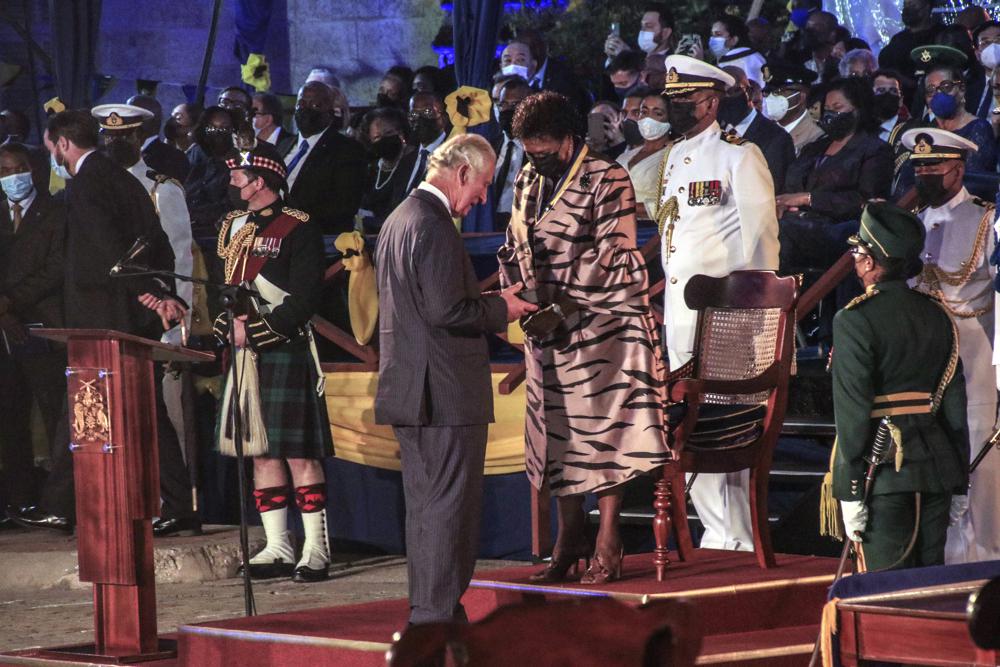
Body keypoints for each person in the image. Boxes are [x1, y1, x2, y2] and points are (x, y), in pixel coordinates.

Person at [499, 90, 669, 584]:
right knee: (555, 430)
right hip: (547, 325)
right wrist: (518, 288)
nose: (537, 158)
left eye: (545, 148)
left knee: (603, 433)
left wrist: (563, 305)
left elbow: (614, 253)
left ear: (571, 139)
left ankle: (607, 538)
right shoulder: (528, 177)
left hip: (605, 323)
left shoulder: (607, 176)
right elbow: (515, 241)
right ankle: (568, 535)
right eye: (529, 149)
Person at [375, 134, 534, 623]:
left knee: (426, 511)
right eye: (483, 185)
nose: (484, 197)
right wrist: (501, 307)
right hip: (443, 393)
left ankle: (430, 611)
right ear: (463, 172)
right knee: (448, 512)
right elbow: (448, 310)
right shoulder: (434, 224)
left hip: (411, 391)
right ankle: (437, 619)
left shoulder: (399, 218)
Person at [13, 110, 180, 531]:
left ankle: (171, 504)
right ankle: (66, 501)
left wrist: (147, 293)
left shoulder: (88, 184)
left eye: (51, 148)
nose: (53, 156)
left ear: (63, 144)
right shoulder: (118, 176)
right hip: (113, 317)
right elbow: (152, 241)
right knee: (94, 412)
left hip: (105, 320)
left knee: (124, 413)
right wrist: (155, 292)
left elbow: (110, 253)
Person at [659, 55, 780, 551]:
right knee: (689, 418)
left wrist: (756, 314)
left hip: (729, 315)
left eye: (684, 101)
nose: (675, 110)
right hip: (680, 314)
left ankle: (739, 534)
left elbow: (763, 241)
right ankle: (718, 530)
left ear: (710, 101)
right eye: (672, 102)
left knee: (729, 418)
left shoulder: (739, 155)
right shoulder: (673, 156)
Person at [214, 141, 334, 582]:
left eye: (238, 177)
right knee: (261, 454)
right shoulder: (231, 225)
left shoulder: (299, 228)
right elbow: (220, 288)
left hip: (284, 347)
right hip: (245, 353)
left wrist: (257, 333)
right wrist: (229, 329)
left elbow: (304, 299)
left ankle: (316, 549)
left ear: (260, 182)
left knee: (299, 453)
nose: (231, 183)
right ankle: (278, 547)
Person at [829, 201, 969, 571]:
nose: (855, 259)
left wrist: (850, 490)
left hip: (884, 472)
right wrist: (959, 482)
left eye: (857, 251)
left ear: (871, 262)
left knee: (886, 597)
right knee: (929, 589)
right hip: (937, 467)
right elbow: (954, 405)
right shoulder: (936, 313)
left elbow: (853, 413)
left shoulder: (854, 320)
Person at [91, 103, 199, 536]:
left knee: (153, 415)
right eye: (108, 135)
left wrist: (175, 329)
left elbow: (180, 261)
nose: (115, 142)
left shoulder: (160, 190)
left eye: (124, 136)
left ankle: (174, 501)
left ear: (140, 139)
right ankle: (131, 499)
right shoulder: (96, 185)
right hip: (110, 317)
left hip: (151, 319)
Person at [899, 128, 1000, 563]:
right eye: (919, 167)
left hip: (973, 345)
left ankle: (983, 554)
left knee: (979, 445)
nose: (924, 174)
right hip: (925, 352)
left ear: (957, 170)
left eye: (933, 167)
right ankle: (939, 555)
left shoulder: (984, 219)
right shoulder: (911, 224)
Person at [0, 142, 66, 521]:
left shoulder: (55, 211)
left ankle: (57, 503)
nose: (13, 177)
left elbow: (55, 268)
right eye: (6, 172)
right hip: (5, 331)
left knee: (55, 413)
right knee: (10, 417)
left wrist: (11, 303)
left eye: (19, 168)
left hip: (43, 327)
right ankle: (17, 499)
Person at [778, 77, 893, 272]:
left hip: (840, 228)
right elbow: (792, 183)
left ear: (858, 110)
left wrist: (809, 199)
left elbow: (866, 202)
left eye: (837, 107)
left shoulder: (874, 150)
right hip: (798, 222)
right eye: (827, 108)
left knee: (780, 232)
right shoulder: (815, 147)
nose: (831, 114)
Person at [284, 81, 367, 235]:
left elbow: (343, 206)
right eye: (301, 103)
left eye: (315, 105)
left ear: (330, 112)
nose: (306, 109)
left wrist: (288, 217)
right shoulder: (283, 145)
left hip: (311, 234)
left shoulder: (347, 150)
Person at [720, 66, 796, 193]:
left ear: (748, 93)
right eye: (720, 94)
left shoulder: (776, 138)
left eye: (731, 92)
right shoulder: (715, 132)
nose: (725, 99)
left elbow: (774, 189)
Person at [358, 106, 414, 233]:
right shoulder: (371, 169)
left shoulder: (413, 164)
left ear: (401, 132)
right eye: (377, 137)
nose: (383, 139)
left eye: (388, 133)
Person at [617, 91, 671, 219]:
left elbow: (674, 204)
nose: (648, 118)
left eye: (657, 113)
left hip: (652, 230)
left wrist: (624, 206)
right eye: (644, 112)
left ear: (669, 117)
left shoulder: (674, 155)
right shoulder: (624, 156)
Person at [185, 106, 236, 233]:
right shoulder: (195, 153)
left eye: (224, 128)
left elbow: (230, 203)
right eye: (212, 128)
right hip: (184, 223)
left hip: (213, 229)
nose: (218, 133)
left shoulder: (236, 160)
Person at [761, 62, 825, 155]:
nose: (770, 98)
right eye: (767, 92)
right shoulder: (764, 130)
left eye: (778, 92)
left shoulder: (816, 136)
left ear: (801, 97)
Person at [491, 77, 530, 230]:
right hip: (490, 228)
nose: (508, 110)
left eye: (515, 104)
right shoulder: (490, 147)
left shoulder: (542, 150)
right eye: (503, 104)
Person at [127, 94, 191, 184]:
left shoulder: (173, 158)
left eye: (131, 115)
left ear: (152, 120)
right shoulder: (123, 152)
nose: (124, 120)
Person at [878, 0, 943, 84]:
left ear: (926, 7)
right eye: (905, 5)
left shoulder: (942, 35)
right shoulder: (898, 40)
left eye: (912, 5)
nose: (908, 9)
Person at [399, 92, 449, 197]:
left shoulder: (452, 157)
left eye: (427, 112)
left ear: (444, 117)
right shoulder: (405, 160)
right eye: (413, 114)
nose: (419, 119)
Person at [709, 15, 767, 88]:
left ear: (733, 40)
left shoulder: (749, 58)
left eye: (718, 34)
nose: (712, 39)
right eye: (712, 35)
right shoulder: (722, 61)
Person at [604, 3, 675, 61]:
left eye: (649, 26)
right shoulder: (638, 53)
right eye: (642, 26)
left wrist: (627, 57)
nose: (643, 31)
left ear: (665, 33)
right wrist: (613, 58)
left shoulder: (673, 63)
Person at [801, 11, 842, 83]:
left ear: (832, 34)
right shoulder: (806, 67)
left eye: (815, 28)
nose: (808, 32)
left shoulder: (843, 65)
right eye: (808, 27)